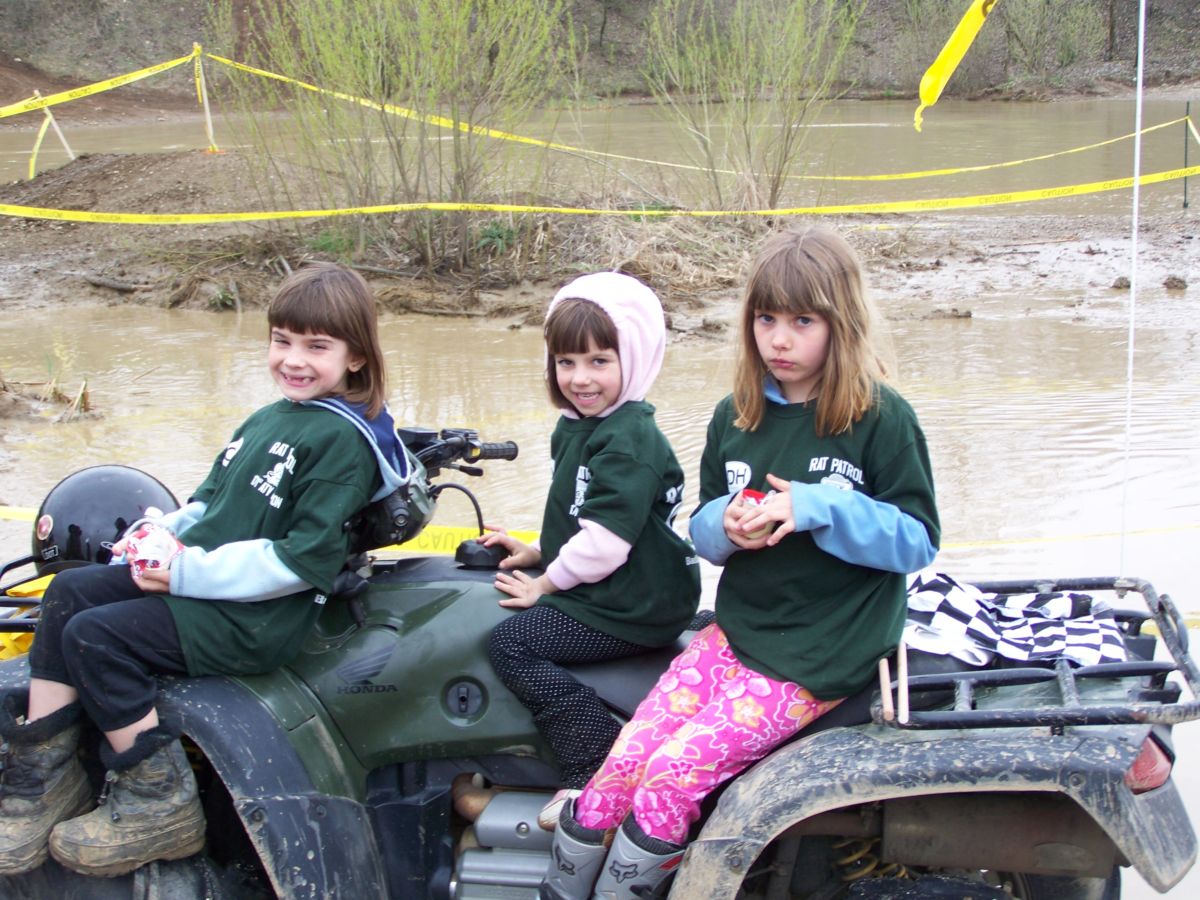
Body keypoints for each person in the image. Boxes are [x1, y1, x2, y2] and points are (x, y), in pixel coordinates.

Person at [540, 225, 940, 900]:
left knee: (672, 774)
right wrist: (722, 525)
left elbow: (918, 540)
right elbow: (702, 529)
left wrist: (816, 508)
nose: (779, 340)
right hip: (737, 635)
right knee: (620, 766)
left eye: (802, 321)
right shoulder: (738, 415)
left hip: (821, 652)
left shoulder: (879, 418)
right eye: (766, 320)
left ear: (840, 324)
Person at [0, 262, 414, 878]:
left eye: (317, 347)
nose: (294, 360)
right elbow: (207, 504)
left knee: (97, 636)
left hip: (253, 619)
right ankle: (47, 777)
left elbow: (302, 562)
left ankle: (158, 802)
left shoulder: (342, 444)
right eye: (282, 340)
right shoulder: (271, 417)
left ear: (356, 357)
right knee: (69, 592)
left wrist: (184, 573)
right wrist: (158, 534)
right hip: (206, 584)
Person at [482, 272, 701, 827]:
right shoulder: (579, 426)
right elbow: (584, 514)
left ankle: (595, 758)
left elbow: (605, 543)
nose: (580, 378)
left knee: (511, 644)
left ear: (636, 359)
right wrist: (536, 550)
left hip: (633, 602)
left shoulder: (629, 439)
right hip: (615, 583)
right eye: (565, 361)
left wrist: (544, 584)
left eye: (600, 361)